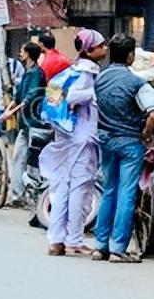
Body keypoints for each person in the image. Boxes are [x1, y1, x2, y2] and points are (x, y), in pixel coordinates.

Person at [91, 34, 154, 263]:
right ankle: (118, 247)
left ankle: (100, 245)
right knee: (127, 193)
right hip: (130, 142)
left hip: (106, 140)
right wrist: (146, 134)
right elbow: (153, 114)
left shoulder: (99, 79)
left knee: (109, 190)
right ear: (131, 56)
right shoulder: (137, 83)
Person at [39, 29, 107, 256]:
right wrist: (96, 92)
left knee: (60, 188)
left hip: (65, 136)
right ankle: (74, 240)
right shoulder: (88, 74)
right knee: (80, 189)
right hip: (82, 138)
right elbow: (74, 97)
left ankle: (56, 240)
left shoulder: (70, 71)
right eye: (101, 46)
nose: (104, 49)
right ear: (90, 50)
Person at [2, 42, 45, 209]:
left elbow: (29, 98)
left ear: (27, 54)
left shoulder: (35, 74)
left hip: (32, 124)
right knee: (21, 158)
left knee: (25, 158)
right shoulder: (29, 73)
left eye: (22, 51)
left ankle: (20, 195)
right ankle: (20, 194)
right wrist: (8, 110)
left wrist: (11, 111)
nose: (20, 53)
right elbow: (18, 97)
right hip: (26, 123)